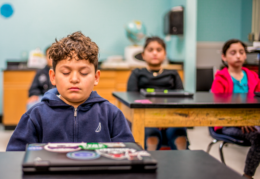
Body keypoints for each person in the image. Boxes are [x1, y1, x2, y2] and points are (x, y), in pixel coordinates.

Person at [6, 31, 134, 151]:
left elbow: (129, 155)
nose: (74, 79)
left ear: (96, 77)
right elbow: (15, 158)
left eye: (83, 73)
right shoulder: (35, 115)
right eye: (66, 72)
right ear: (53, 77)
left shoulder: (112, 115)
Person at [127, 36, 188, 151]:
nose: (155, 53)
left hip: (172, 117)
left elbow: (181, 100)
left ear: (165, 54)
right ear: (143, 55)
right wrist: (155, 119)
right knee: (151, 139)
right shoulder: (137, 73)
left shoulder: (173, 74)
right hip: (145, 117)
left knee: (180, 138)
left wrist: (165, 119)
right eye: (150, 50)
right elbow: (132, 99)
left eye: (159, 50)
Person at [211, 39, 260, 179]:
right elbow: (218, 108)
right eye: (233, 53)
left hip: (251, 120)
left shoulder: (253, 77)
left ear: (245, 55)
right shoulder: (220, 79)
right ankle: (247, 175)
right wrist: (240, 121)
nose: (238, 56)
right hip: (227, 123)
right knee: (258, 136)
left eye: (241, 52)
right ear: (224, 57)